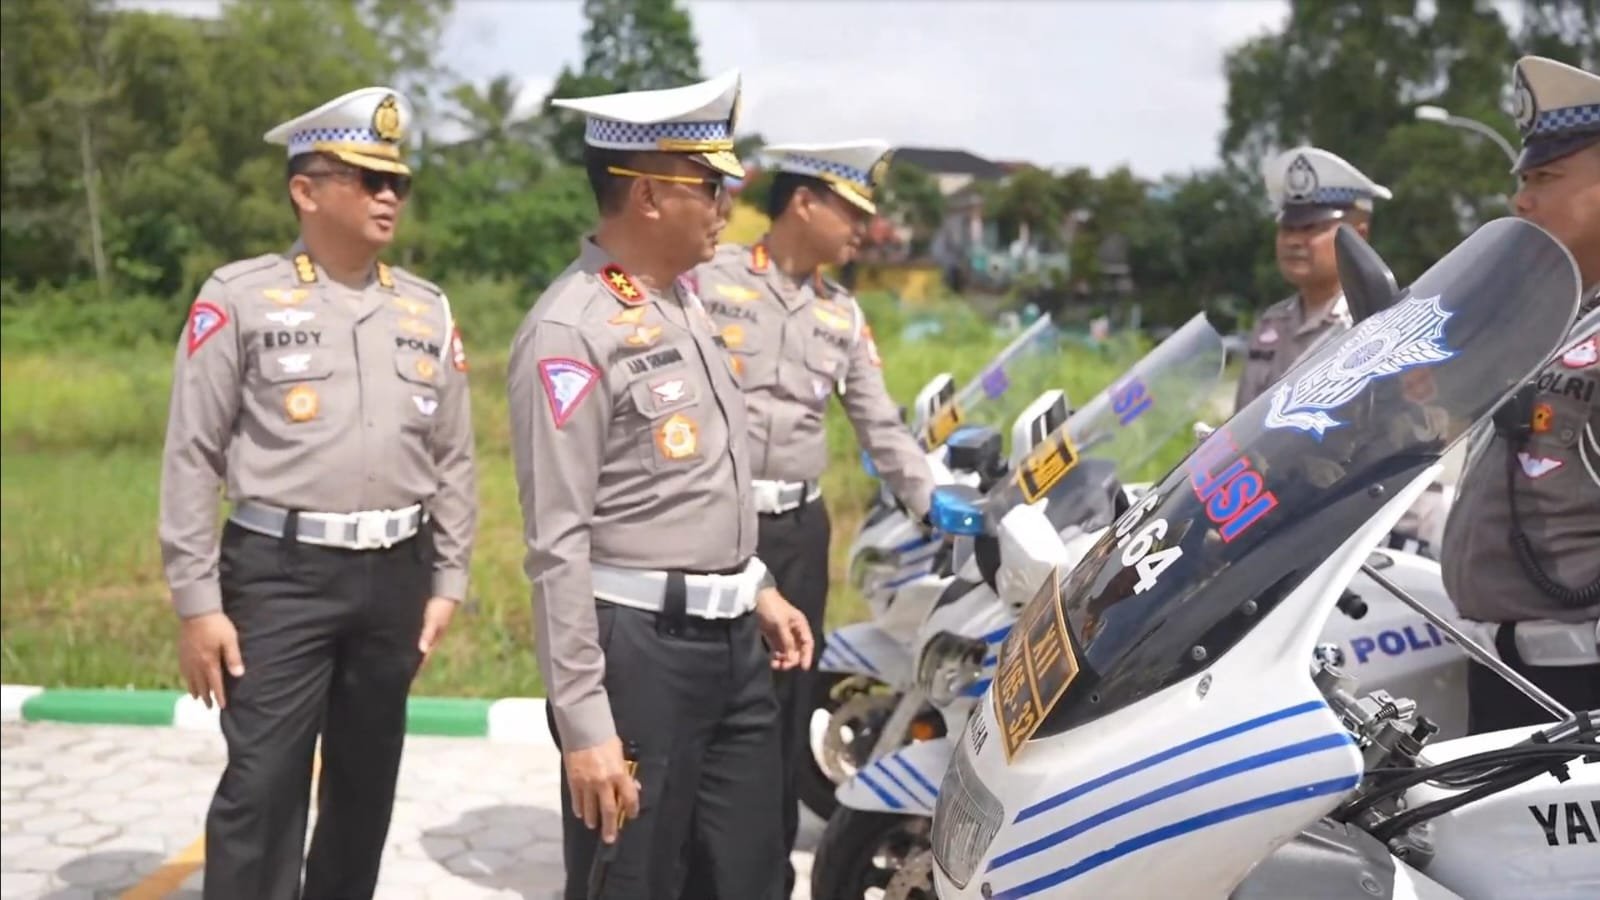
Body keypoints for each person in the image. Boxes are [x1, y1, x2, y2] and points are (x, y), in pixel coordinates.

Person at [158, 87, 477, 900]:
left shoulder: (426, 308)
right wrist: (197, 604)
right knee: (264, 785)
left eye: (397, 182)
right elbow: (192, 454)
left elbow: (454, 457)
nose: (388, 197)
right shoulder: (238, 297)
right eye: (368, 179)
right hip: (280, 574)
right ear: (305, 190)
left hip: (395, 573)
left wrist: (448, 578)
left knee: (365, 786)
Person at [507, 69, 815, 900]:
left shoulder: (684, 303)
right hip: (639, 658)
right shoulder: (571, 330)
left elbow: (688, 485)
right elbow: (557, 544)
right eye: (710, 185)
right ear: (647, 194)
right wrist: (584, 723)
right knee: (634, 880)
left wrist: (755, 586)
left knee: (750, 875)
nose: (725, 205)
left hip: (732, 650)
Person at [689, 139, 936, 895]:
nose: (864, 229)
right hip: (710, 526)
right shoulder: (708, 280)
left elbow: (879, 424)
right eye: (852, 211)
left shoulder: (842, 313)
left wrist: (933, 500)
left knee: (783, 710)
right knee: (703, 701)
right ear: (804, 202)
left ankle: (762, 873)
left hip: (797, 535)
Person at [1441, 55, 1600, 734]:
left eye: (1546, 178)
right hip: (1509, 674)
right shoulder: (1552, 315)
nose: (1521, 200)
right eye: (1524, 180)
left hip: (1578, 686)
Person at [1234, 147, 1392, 409]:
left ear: (1359, 235)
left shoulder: (1372, 324)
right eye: (1288, 228)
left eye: (1311, 228)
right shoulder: (1272, 323)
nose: (1294, 241)